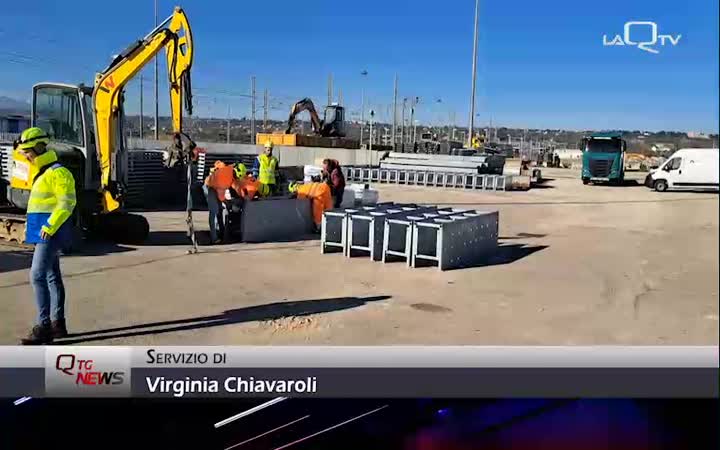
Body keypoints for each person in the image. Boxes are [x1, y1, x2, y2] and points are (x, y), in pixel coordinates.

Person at [15, 127, 77, 345]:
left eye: (27, 153)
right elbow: (39, 205)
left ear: (39, 149)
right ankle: (57, 324)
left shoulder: (59, 172)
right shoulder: (42, 172)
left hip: (50, 232)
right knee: (51, 276)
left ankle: (44, 328)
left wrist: (49, 227)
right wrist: (28, 228)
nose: (25, 157)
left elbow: (67, 203)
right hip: (42, 229)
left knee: (37, 276)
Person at [203, 160, 234, 244]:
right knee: (214, 211)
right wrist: (227, 202)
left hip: (212, 185)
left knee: (219, 209)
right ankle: (214, 237)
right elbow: (221, 196)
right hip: (210, 188)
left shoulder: (226, 172)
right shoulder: (224, 178)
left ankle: (221, 231)